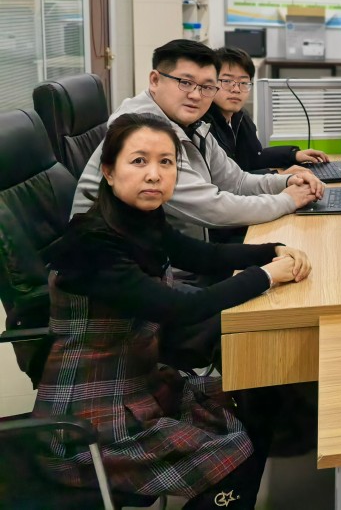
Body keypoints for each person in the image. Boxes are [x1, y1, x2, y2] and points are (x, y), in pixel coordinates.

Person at [34, 113, 313, 509]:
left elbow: (204, 255)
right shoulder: (92, 242)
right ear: (108, 172)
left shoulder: (139, 219)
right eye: (139, 161)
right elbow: (181, 308)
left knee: (259, 395)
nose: (154, 174)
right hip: (93, 414)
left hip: (143, 384)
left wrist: (271, 251)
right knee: (237, 455)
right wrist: (268, 275)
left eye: (166, 162)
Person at [72, 40, 323, 241]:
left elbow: (235, 181)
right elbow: (211, 208)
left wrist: (285, 181)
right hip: (132, 267)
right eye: (185, 83)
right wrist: (287, 200)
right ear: (155, 80)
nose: (196, 95)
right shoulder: (143, 130)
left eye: (206, 87)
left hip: (177, 254)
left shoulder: (192, 124)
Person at [206, 46, 329, 173]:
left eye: (243, 82)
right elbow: (226, 179)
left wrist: (293, 155)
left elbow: (254, 157)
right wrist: (279, 177)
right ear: (210, 83)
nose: (236, 89)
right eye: (227, 81)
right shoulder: (204, 127)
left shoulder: (240, 117)